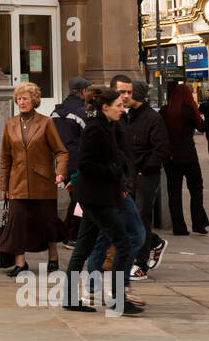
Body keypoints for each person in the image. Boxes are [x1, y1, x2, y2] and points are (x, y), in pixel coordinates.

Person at [64, 87, 143, 315]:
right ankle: (119, 300)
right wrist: (114, 171)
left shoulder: (108, 125)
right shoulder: (95, 129)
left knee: (83, 248)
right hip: (95, 197)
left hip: (98, 195)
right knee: (124, 243)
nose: (122, 108)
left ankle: (70, 298)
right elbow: (86, 164)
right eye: (118, 104)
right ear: (106, 107)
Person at [0, 82, 68, 277]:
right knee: (17, 222)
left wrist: (60, 172)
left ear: (34, 101)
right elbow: (5, 158)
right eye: (19, 99)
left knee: (47, 221)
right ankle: (21, 263)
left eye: (26, 99)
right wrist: (4, 185)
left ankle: (53, 257)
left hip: (43, 183)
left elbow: (61, 151)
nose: (22, 102)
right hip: (17, 183)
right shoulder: (10, 124)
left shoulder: (46, 123)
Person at [126, 79, 171, 280]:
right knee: (130, 218)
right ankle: (153, 242)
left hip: (145, 176)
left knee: (141, 217)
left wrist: (145, 169)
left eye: (130, 93)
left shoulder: (153, 118)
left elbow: (161, 149)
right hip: (130, 175)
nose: (125, 96)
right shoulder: (127, 117)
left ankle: (141, 263)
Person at [164, 82, 209, 235]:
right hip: (188, 155)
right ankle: (198, 224)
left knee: (174, 192)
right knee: (196, 188)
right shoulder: (190, 111)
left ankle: (179, 227)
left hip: (170, 157)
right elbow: (202, 127)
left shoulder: (165, 111)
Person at [51, 76, 91, 247]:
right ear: (83, 91)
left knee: (76, 198)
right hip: (77, 162)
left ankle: (70, 233)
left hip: (61, 162)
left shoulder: (55, 112)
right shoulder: (82, 113)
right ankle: (71, 234)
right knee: (79, 199)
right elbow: (88, 138)